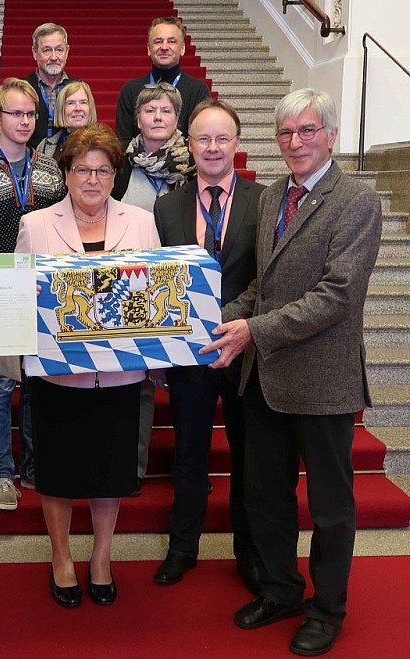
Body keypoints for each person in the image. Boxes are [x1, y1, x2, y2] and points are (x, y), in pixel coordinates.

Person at [200, 88, 382, 656]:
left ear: (330, 136)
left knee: (330, 507)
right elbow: (264, 285)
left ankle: (326, 609)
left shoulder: (356, 201)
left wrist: (253, 330)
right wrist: (209, 320)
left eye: (307, 131)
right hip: (265, 379)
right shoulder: (273, 195)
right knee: (265, 496)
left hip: (323, 382)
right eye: (285, 132)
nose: (296, 142)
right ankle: (280, 590)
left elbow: (337, 295)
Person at [16, 123, 161, 608]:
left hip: (120, 375)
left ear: (115, 175)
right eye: (82, 169)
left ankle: (101, 557)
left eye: (102, 170)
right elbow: (19, 299)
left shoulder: (141, 221)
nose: (92, 179)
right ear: (66, 174)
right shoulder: (36, 224)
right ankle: (61, 558)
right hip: (58, 375)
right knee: (57, 472)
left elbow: (155, 294)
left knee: (110, 472)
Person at [151, 99, 264, 591]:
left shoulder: (265, 200)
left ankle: (250, 555)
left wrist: (235, 321)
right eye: (203, 138)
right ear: (189, 144)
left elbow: (267, 276)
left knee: (248, 458)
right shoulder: (168, 205)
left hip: (247, 352)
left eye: (222, 138)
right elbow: (159, 282)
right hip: (189, 355)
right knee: (189, 456)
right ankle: (182, 548)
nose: (212, 147)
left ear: (237, 143)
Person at [0, 78, 66, 511]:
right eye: (15, 113)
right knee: (1, 386)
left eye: (30, 114)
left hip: (43, 292)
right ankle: (2, 473)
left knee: (39, 383)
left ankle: (35, 466)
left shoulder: (51, 169)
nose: (24, 121)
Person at [112, 81, 195, 495]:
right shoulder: (120, 164)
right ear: (138, 118)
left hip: (179, 285)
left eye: (166, 110)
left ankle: (189, 467)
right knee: (136, 379)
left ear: (178, 119)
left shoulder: (194, 165)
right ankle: (132, 467)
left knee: (185, 385)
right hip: (129, 284)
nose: (158, 117)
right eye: (150, 110)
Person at [115, 16, 210, 147]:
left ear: (182, 48)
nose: (164, 47)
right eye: (158, 41)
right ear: (149, 48)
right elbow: (123, 143)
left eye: (171, 41)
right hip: (139, 160)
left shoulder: (198, 90)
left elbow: (202, 140)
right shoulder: (130, 90)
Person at [23, 23, 81, 148]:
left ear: (67, 52)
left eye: (59, 50)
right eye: (47, 50)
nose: (54, 57)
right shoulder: (20, 89)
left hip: (70, 155)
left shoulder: (79, 89)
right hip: (29, 156)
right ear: (34, 52)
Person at [36, 81, 97, 161]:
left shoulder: (104, 143)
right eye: (71, 103)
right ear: (61, 109)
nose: (78, 108)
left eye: (83, 102)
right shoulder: (45, 146)